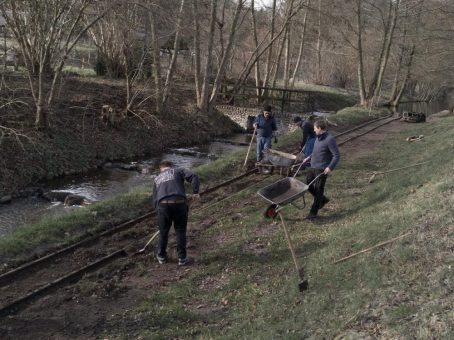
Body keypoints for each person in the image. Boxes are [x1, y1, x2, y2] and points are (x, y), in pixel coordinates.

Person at [152, 160, 200, 265]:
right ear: (171, 166)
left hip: (163, 206)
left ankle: (161, 256)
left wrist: (159, 212)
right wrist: (196, 192)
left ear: (161, 169)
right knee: (180, 231)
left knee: (163, 232)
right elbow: (194, 176)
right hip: (179, 203)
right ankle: (182, 258)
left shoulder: (156, 179)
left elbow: (155, 200)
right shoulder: (178, 170)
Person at [302, 120, 340, 220]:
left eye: (315, 128)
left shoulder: (329, 139)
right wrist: (309, 157)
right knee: (307, 186)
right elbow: (316, 151)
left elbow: (336, 155)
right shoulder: (317, 138)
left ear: (319, 128)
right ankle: (322, 199)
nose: (314, 130)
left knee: (319, 190)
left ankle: (313, 212)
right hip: (312, 165)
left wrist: (330, 167)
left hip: (322, 168)